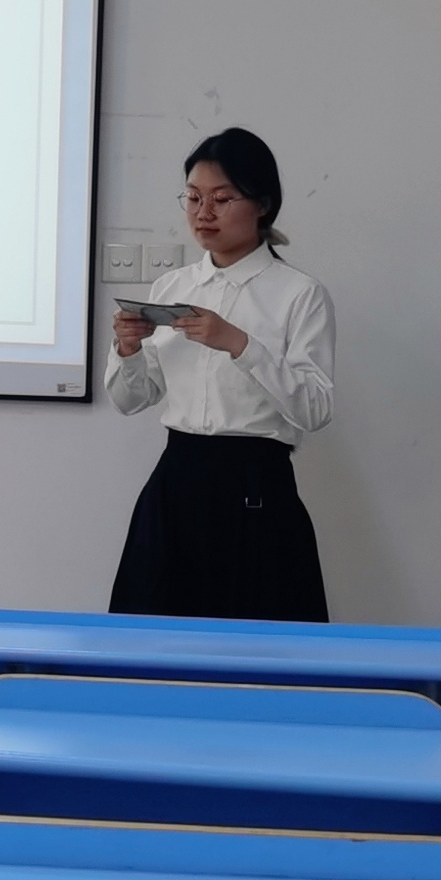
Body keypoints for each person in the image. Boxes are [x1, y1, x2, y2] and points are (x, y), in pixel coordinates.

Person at [107, 127, 335, 621]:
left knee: (260, 642)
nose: (203, 212)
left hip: (257, 486)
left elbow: (315, 409)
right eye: (193, 198)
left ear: (263, 205)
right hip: (175, 482)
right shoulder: (173, 286)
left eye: (221, 198)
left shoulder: (299, 294)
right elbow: (130, 400)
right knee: (155, 639)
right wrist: (127, 351)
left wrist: (240, 344)